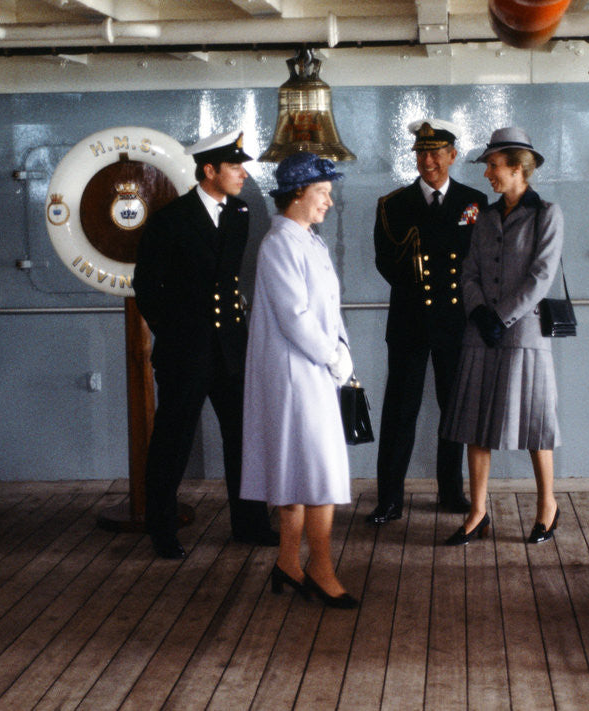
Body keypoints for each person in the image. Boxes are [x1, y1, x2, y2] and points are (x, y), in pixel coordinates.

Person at [133, 129, 278, 559]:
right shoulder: (169, 219)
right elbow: (147, 287)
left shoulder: (240, 212)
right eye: (234, 166)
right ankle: (161, 530)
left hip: (231, 347)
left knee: (244, 439)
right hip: (186, 351)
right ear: (209, 170)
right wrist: (175, 335)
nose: (242, 173)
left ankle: (249, 524)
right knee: (172, 442)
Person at [241, 152, 359, 609]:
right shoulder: (280, 245)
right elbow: (295, 316)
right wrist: (333, 357)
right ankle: (320, 567)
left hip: (313, 370)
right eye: (323, 193)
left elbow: (330, 309)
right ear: (297, 194)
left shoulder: (308, 240)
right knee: (318, 472)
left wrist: (342, 350)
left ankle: (288, 563)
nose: (329, 202)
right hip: (295, 374)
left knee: (296, 469)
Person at [440, 126, 563, 546]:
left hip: (523, 334)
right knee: (475, 424)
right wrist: (478, 311)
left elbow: (541, 276)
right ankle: (478, 513)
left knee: (535, 424)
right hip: (481, 332)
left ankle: (547, 506)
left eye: (494, 165)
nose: (488, 174)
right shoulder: (485, 216)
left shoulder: (547, 213)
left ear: (517, 167)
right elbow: (468, 271)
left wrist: (502, 317)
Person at [367, 119, 489, 525]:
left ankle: (452, 492)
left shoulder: (475, 203)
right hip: (410, 320)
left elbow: (482, 263)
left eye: (437, 152)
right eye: (421, 152)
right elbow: (386, 262)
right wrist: (422, 292)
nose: (428, 160)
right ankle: (389, 499)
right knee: (400, 411)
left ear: (453, 156)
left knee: (453, 410)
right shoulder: (393, 205)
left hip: (456, 323)